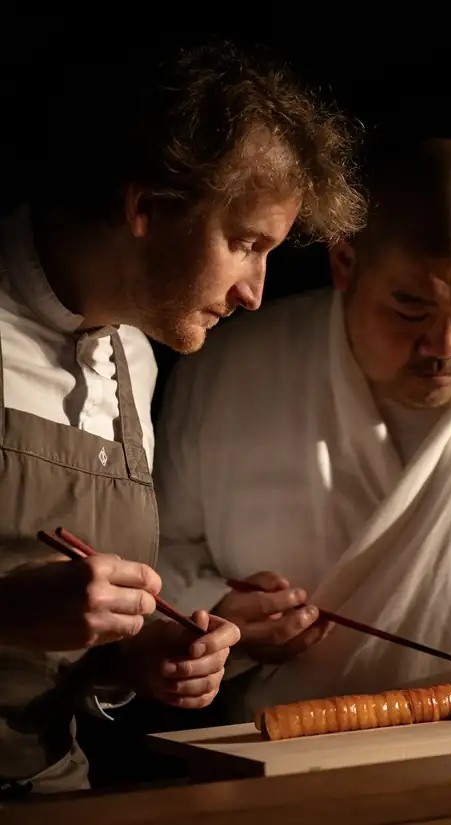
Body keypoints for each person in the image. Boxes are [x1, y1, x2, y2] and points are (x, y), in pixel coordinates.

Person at [0, 39, 365, 797]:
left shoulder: (134, 358)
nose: (255, 292)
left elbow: (67, 662)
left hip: (57, 792)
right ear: (147, 209)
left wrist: (138, 657)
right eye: (245, 244)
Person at [154, 138, 451, 721]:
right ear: (345, 263)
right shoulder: (231, 369)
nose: (443, 346)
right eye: (411, 309)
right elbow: (158, 551)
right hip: (282, 763)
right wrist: (220, 616)